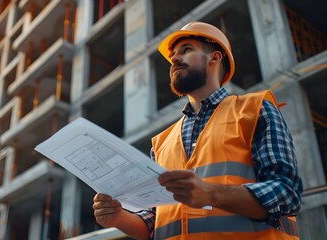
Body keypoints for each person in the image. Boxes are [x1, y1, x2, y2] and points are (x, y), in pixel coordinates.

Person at [92, 21, 303, 239]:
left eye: (187, 50)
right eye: (173, 54)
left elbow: (287, 194)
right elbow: (154, 221)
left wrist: (211, 194)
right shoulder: (162, 142)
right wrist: (117, 217)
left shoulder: (255, 110)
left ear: (214, 57)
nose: (174, 58)